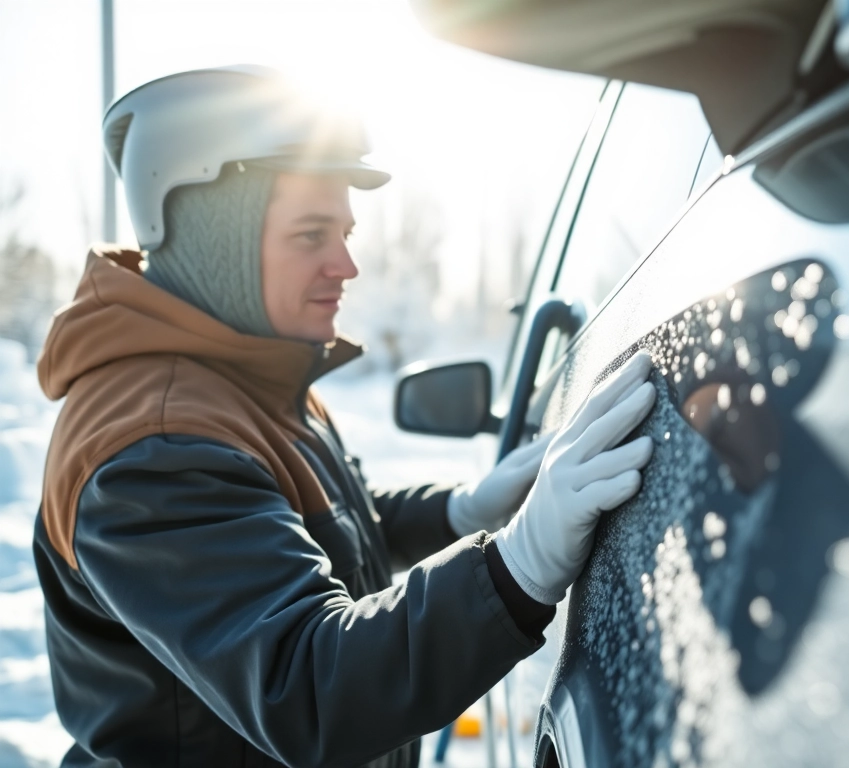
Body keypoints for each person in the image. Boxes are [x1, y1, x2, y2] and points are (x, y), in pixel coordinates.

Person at [32, 65, 657, 767]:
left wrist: (459, 512)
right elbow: (304, 686)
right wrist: (517, 568)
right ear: (217, 239)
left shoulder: (240, 373)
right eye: (311, 236)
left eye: (345, 232)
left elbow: (305, 530)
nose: (346, 264)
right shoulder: (154, 445)